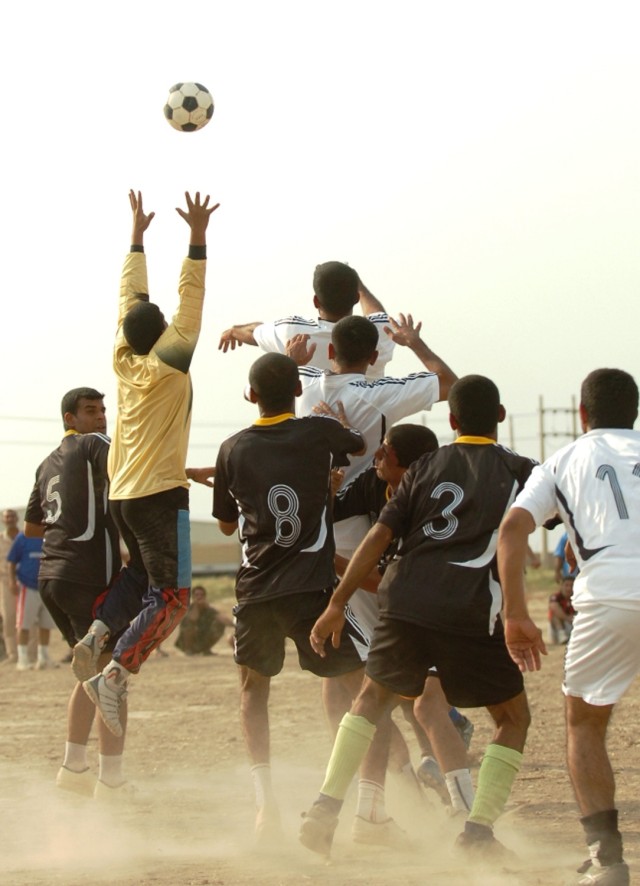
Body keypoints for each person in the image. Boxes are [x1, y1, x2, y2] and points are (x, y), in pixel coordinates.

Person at [299, 375, 536, 862]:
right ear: (501, 417)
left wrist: (337, 602)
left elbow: (378, 539)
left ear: (451, 421)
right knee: (512, 718)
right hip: (469, 607)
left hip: (404, 601)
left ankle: (324, 811)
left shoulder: (426, 464)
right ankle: (477, 834)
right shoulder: (520, 470)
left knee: (369, 699)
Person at [213, 351, 384, 844]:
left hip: (258, 590)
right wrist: (328, 420)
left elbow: (227, 524)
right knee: (364, 690)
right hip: (312, 591)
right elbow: (353, 444)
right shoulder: (317, 432)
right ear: (296, 392)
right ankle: (364, 804)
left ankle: (267, 808)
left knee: (253, 694)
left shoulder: (231, 448)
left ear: (250, 395)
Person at [79, 189, 219, 739]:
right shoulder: (170, 361)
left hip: (122, 493)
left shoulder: (123, 357)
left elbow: (128, 298)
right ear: (162, 334)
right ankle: (116, 671)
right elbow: (192, 301)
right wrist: (197, 237)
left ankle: (98, 633)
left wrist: (136, 238)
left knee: (139, 573)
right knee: (175, 597)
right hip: (161, 494)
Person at [497, 367, 640, 886]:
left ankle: (607, 862)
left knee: (584, 724)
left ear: (583, 414)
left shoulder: (562, 461)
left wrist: (515, 612)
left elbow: (512, 529)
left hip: (608, 594)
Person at [331, 420, 476, 815]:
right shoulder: (373, 485)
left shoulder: (426, 506)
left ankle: (365, 807)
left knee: (401, 701)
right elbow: (328, 507)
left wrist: (332, 565)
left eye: (386, 450)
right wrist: (335, 442)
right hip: (398, 604)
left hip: (425, 607)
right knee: (379, 699)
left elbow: (386, 581)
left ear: (410, 466)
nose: (376, 455)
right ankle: (396, 795)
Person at [23, 387, 141, 798]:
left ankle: (73, 768)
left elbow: (32, 528)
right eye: (91, 411)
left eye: (104, 410)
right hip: (88, 576)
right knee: (113, 673)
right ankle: (111, 778)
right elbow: (130, 456)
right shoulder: (93, 445)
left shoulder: (44, 464)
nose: (102, 417)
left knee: (91, 670)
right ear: (70, 419)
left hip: (51, 576)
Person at [218, 261, 395, 379]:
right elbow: (379, 316)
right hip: (366, 435)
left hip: (305, 434)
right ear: (356, 298)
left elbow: (253, 332)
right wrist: (360, 287)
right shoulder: (376, 334)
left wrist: (233, 331)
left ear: (316, 300)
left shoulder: (293, 332)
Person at [6, 532, 54, 670]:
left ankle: (43, 657)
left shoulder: (51, 535)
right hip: (27, 586)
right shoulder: (22, 537)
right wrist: (11, 581)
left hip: (46, 586)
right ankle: (22, 659)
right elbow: (12, 561)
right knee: (24, 624)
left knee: (45, 624)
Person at [174, 584, 234, 655]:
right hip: (186, 643)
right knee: (189, 624)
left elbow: (222, 619)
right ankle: (189, 650)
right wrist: (196, 605)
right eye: (197, 595)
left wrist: (236, 626)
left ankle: (206, 649)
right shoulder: (188, 608)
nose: (199, 597)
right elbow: (192, 620)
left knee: (219, 624)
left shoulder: (208, 609)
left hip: (201, 641)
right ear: (193, 597)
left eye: (201, 595)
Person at [0, 508, 21, 663]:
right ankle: (12, 654)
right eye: (7, 517)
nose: (10, 519)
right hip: (5, 583)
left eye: (12, 516)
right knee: (9, 619)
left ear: (17, 518)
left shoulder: (24, 537)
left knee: (28, 619)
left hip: (26, 582)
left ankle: (30, 654)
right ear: (3, 520)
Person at [548, 576, 576, 644]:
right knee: (554, 616)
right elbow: (554, 607)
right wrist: (567, 618)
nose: (569, 588)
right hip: (560, 626)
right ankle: (562, 636)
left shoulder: (578, 597)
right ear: (561, 586)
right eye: (566, 585)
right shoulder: (556, 597)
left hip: (574, 625)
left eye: (571, 586)